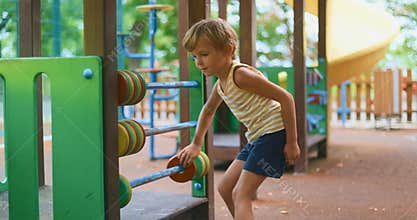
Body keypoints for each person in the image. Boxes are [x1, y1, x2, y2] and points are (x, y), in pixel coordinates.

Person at [178, 18, 300, 220]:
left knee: (240, 193)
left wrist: (292, 142)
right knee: (226, 188)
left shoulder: (240, 75)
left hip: (273, 132)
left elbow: (286, 98)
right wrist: (196, 144)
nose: (198, 62)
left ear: (227, 50)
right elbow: (208, 111)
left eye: (204, 54)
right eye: (194, 57)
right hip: (257, 137)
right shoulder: (221, 84)